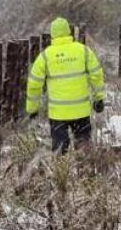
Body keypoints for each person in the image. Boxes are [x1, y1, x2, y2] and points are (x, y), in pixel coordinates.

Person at [26, 16, 106, 153]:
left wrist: (32, 109)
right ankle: (86, 171)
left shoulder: (45, 56)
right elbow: (96, 75)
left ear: (52, 34)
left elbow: (34, 84)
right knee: (84, 148)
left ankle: (61, 173)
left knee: (60, 151)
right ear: (69, 32)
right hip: (81, 112)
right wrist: (99, 98)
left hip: (58, 115)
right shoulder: (83, 51)